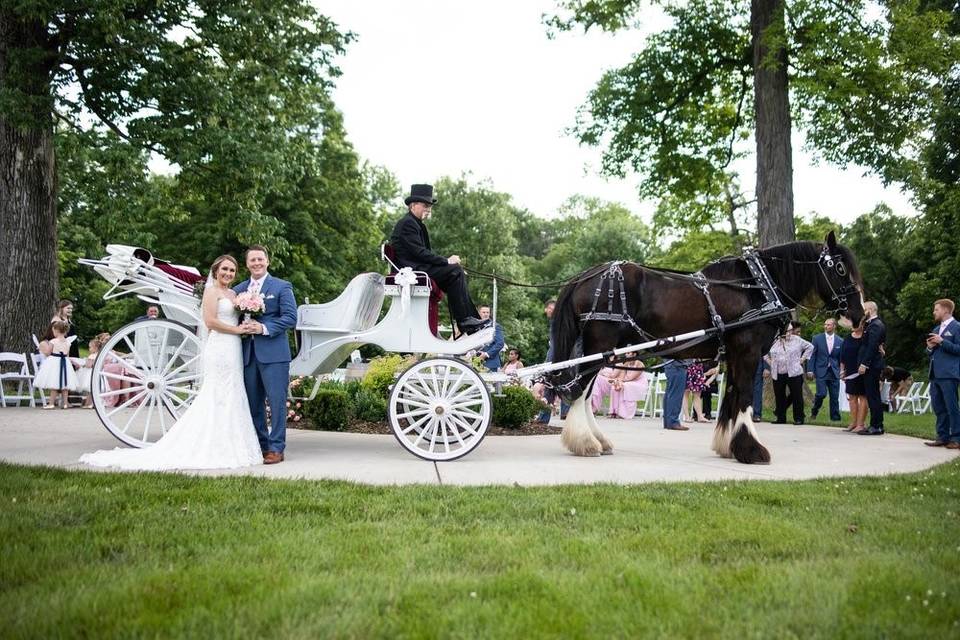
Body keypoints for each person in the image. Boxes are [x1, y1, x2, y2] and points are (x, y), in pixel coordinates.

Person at [81, 255, 264, 470]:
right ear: (215, 270)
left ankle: (233, 442)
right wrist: (237, 330)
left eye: (232, 270)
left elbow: (238, 316)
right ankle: (211, 443)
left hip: (233, 348)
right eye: (224, 269)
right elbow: (210, 322)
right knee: (217, 392)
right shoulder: (211, 292)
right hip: (220, 347)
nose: (228, 273)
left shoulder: (234, 294)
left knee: (233, 391)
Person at [389, 184, 484, 335]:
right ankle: (466, 321)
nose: (429, 209)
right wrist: (447, 262)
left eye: (430, 206)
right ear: (413, 205)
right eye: (425, 205)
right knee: (455, 271)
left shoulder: (415, 224)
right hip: (413, 270)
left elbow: (422, 253)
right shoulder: (408, 223)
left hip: (417, 267)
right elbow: (420, 253)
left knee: (456, 272)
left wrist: (447, 266)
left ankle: (469, 320)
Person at [235, 245, 298, 464]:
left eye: (260, 259)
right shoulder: (238, 290)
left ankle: (277, 448)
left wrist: (262, 328)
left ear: (267, 261)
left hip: (274, 354)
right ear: (247, 264)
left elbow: (291, 318)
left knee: (277, 402)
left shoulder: (281, 286)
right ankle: (261, 446)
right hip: (248, 355)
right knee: (253, 403)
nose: (257, 263)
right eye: (252, 260)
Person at [924, 298, 960, 449]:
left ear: (945, 310)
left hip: (949, 374)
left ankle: (956, 439)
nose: (934, 312)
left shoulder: (957, 327)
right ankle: (942, 436)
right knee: (938, 407)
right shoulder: (936, 328)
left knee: (951, 407)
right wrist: (930, 347)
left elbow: (958, 349)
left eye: (936, 309)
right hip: (935, 373)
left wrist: (942, 342)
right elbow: (929, 353)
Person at [765, 323, 814, 425]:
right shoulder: (775, 341)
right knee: (779, 396)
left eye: (791, 331)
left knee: (797, 396)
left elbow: (810, 347)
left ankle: (799, 418)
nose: (789, 333)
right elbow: (764, 352)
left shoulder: (797, 340)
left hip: (794, 372)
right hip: (778, 373)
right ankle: (781, 418)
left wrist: (802, 359)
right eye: (787, 331)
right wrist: (770, 362)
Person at [33, 320, 79, 409]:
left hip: (54, 363)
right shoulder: (68, 342)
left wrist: (40, 348)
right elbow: (67, 355)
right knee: (65, 384)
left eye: (53, 331)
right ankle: (65, 404)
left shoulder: (53, 341)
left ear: (56, 330)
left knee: (54, 384)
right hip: (65, 362)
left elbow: (47, 353)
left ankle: (51, 403)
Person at [856, 301, 887, 435]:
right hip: (871, 365)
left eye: (864, 310)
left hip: (872, 366)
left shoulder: (876, 325)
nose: (862, 312)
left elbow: (872, 346)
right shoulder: (871, 324)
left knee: (873, 396)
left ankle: (876, 426)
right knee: (871, 395)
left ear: (870, 309)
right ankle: (876, 425)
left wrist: (864, 364)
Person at [807, 318, 844, 421]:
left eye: (828, 325)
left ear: (834, 326)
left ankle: (835, 418)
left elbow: (841, 358)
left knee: (834, 397)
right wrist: (810, 370)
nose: (826, 326)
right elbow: (812, 355)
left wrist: (842, 371)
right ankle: (814, 411)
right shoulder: (817, 338)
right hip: (821, 371)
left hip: (834, 372)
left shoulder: (840, 341)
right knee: (821, 394)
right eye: (825, 324)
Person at [839, 321, 868, 432]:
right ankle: (854, 422)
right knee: (852, 397)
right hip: (850, 370)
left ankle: (861, 424)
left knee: (863, 397)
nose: (854, 326)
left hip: (862, 371)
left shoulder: (866, 337)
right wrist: (842, 370)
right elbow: (842, 355)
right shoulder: (847, 338)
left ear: (862, 325)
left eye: (857, 324)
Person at [475, 305, 504, 372]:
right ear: (479, 313)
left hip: (491, 363)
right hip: (476, 362)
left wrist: (486, 354)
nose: (486, 314)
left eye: (487, 312)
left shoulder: (495, 326)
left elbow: (500, 343)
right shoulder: (475, 327)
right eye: (483, 312)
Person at [662, 359, 689, 430]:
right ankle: (673, 422)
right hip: (677, 366)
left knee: (670, 394)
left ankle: (668, 422)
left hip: (672, 365)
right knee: (676, 394)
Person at [76, 337, 101, 408]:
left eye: (90, 347)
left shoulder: (92, 356)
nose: (89, 349)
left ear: (95, 348)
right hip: (96, 373)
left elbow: (89, 365)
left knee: (89, 390)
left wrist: (83, 364)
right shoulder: (99, 355)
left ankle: (88, 403)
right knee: (92, 390)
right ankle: (91, 403)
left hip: (90, 374)